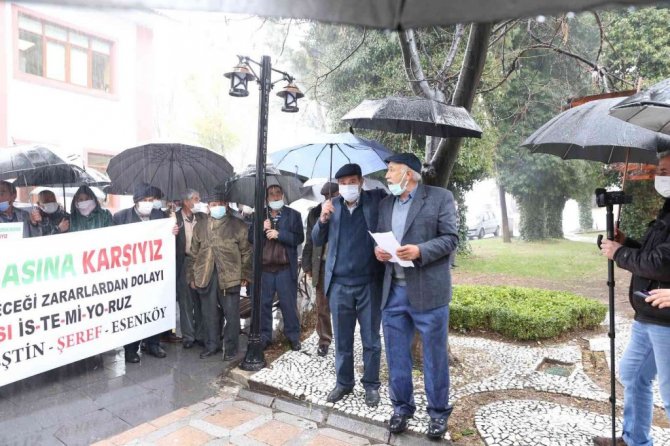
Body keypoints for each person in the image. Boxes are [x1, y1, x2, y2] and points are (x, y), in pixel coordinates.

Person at [374, 153, 458, 439]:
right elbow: (381, 239)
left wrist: (420, 250)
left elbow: (451, 239)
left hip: (429, 293)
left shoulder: (440, 198)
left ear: (408, 174)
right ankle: (401, 408)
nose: (387, 176)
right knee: (396, 355)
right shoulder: (385, 204)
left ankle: (438, 414)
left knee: (434, 357)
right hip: (393, 292)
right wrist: (379, 252)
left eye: (391, 170)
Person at [597, 150, 670, 446]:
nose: (660, 177)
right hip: (648, 314)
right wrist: (627, 243)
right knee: (633, 374)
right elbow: (654, 254)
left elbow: (661, 264)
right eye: (660, 171)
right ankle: (635, 440)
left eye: (666, 171)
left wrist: (620, 254)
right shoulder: (668, 209)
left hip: (666, 321)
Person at [312, 163, 386, 407]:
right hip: (340, 286)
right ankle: (344, 382)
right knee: (343, 340)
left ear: (361, 182)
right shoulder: (332, 206)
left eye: (351, 182)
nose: (347, 187)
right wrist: (322, 219)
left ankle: (371, 385)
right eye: (342, 183)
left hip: (368, 284)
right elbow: (316, 239)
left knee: (371, 339)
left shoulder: (375, 201)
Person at [189, 191, 252, 360]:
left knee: (231, 314)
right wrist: (192, 276)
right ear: (208, 207)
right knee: (209, 313)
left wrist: (245, 274)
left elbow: (246, 252)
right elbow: (193, 253)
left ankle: (231, 348)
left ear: (226, 205)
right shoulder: (200, 226)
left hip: (230, 275)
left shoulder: (238, 225)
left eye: (220, 204)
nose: (217, 207)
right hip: (205, 275)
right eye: (213, 204)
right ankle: (212, 345)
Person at [113, 183, 170, 363]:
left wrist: (172, 231)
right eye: (145, 200)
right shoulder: (121, 217)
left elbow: (167, 241)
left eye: (151, 200)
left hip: (154, 273)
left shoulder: (160, 216)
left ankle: (153, 343)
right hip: (131, 273)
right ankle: (131, 348)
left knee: (153, 307)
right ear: (136, 201)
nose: (148, 203)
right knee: (133, 310)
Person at [249, 184, 304, 351]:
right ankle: (265, 337)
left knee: (288, 304)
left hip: (284, 269)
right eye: (271, 194)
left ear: (282, 196)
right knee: (264, 305)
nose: (275, 196)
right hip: (265, 269)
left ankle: (293, 336)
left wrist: (280, 235)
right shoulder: (259, 215)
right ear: (266, 198)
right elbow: (250, 238)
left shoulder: (294, 215)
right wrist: (261, 228)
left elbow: (299, 238)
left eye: (278, 193)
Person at [302, 182, 338, 357]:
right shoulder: (315, 213)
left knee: (342, 306)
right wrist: (307, 265)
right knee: (322, 306)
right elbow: (310, 240)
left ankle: (344, 339)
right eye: (325, 196)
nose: (328, 199)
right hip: (322, 265)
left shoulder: (347, 211)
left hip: (340, 265)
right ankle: (324, 340)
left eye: (332, 195)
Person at [175, 188, 207, 349]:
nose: (198, 202)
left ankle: (201, 334)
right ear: (186, 202)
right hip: (183, 261)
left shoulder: (202, 217)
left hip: (201, 261)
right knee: (185, 300)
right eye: (196, 199)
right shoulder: (173, 218)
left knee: (200, 298)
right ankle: (188, 335)